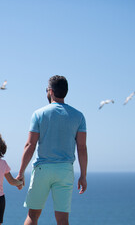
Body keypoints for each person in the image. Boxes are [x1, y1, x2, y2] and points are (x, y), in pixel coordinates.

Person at [16, 75, 88, 225]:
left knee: (33, 215)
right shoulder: (79, 116)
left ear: (50, 91)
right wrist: (83, 175)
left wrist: (21, 172)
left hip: (42, 169)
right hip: (65, 170)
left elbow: (30, 145)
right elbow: (82, 148)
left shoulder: (39, 114)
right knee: (62, 219)